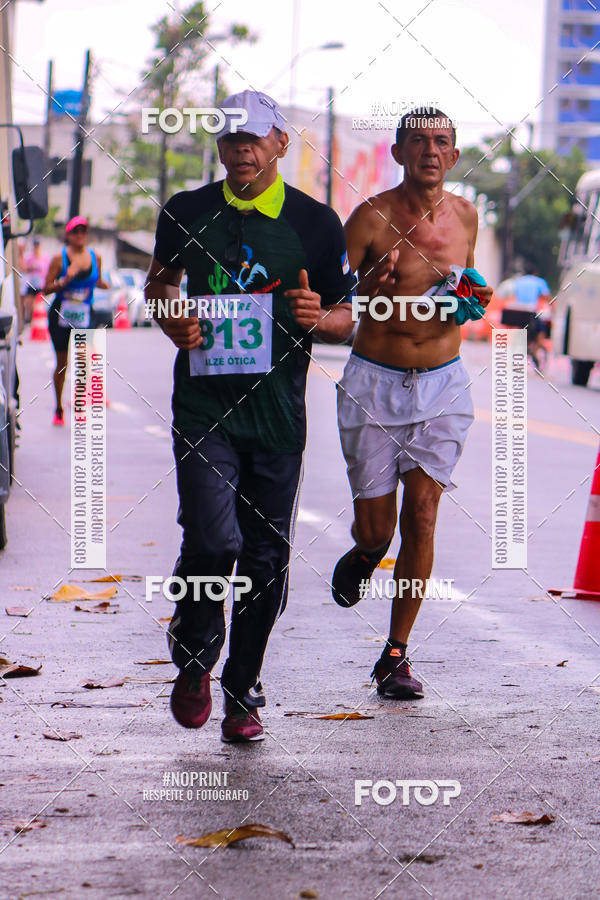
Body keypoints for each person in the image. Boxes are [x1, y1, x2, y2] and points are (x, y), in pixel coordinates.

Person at [146, 90, 354, 743]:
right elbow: (159, 284)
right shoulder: (186, 211)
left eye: (254, 138)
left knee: (265, 559)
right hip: (203, 409)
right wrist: (172, 317)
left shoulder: (316, 224)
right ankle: (195, 653)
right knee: (214, 542)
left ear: (280, 143)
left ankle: (242, 689)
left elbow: (349, 318)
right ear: (218, 145)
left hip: (277, 420)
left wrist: (320, 318)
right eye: (230, 138)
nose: (241, 148)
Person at [332, 108, 493, 700]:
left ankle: (395, 653)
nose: (431, 151)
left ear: (454, 155)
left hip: (443, 385)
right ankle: (365, 553)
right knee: (379, 529)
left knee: (422, 514)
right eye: (419, 141)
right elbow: (329, 304)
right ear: (398, 153)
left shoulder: (467, 216)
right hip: (374, 384)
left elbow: (462, 288)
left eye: (442, 142)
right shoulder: (369, 218)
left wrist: (471, 298)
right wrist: (365, 292)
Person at [43, 217, 108, 426]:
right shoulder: (59, 258)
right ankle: (58, 408)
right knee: (62, 363)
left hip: (85, 314)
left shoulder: (96, 257)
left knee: (84, 361)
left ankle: (79, 403)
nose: (80, 235)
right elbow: (46, 288)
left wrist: (104, 284)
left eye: (83, 231)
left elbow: (98, 280)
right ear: (68, 235)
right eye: (75, 231)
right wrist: (65, 279)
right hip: (61, 315)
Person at [512, 266, 551, 368]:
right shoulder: (539, 281)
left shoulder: (518, 281)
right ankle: (535, 350)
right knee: (541, 331)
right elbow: (547, 297)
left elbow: (515, 294)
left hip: (518, 312)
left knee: (522, 329)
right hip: (531, 312)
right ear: (534, 274)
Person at [22, 238, 49, 323]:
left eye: (37, 246)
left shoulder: (44, 257)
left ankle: (35, 321)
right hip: (31, 284)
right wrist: (31, 268)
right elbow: (24, 268)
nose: (36, 248)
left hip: (40, 285)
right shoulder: (29, 257)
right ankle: (29, 320)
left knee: (37, 306)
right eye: (35, 246)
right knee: (29, 304)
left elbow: (47, 271)